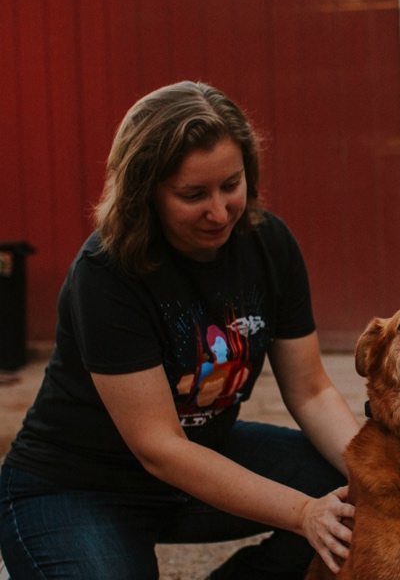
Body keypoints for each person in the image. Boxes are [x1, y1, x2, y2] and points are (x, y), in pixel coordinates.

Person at [0, 81, 359, 580]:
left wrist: (383, 478)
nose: (219, 211)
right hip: (78, 486)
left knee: (356, 492)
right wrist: (302, 513)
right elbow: (159, 447)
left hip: (201, 457)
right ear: (145, 193)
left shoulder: (268, 243)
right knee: (321, 508)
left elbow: (313, 391)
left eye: (230, 185)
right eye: (193, 195)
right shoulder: (107, 271)